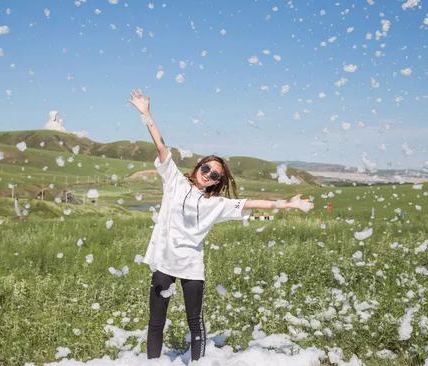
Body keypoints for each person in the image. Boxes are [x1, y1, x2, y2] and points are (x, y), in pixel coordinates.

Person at [129, 89, 314, 361]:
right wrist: (147, 115)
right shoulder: (175, 181)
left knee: (195, 323)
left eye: (215, 175)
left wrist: (287, 204)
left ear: (218, 181)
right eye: (206, 169)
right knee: (156, 322)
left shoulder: (218, 204)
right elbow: (161, 147)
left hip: (192, 266)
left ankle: (198, 362)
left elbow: (251, 203)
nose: (208, 175)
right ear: (198, 168)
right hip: (165, 262)